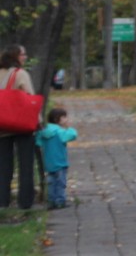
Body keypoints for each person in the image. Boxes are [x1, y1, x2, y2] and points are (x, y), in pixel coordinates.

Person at [0, 44, 40, 210]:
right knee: (26, 164)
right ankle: (25, 202)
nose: (25, 57)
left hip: (2, 125)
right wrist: (38, 121)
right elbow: (29, 98)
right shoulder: (20, 74)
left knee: (3, 166)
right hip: (21, 124)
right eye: (23, 54)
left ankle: (2, 201)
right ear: (15, 56)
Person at [37, 107, 78, 209]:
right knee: (60, 183)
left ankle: (51, 201)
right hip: (60, 163)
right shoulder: (59, 132)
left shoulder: (44, 131)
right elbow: (72, 135)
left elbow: (38, 142)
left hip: (48, 163)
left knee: (51, 183)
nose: (66, 119)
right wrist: (69, 127)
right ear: (57, 119)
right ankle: (60, 201)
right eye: (64, 117)